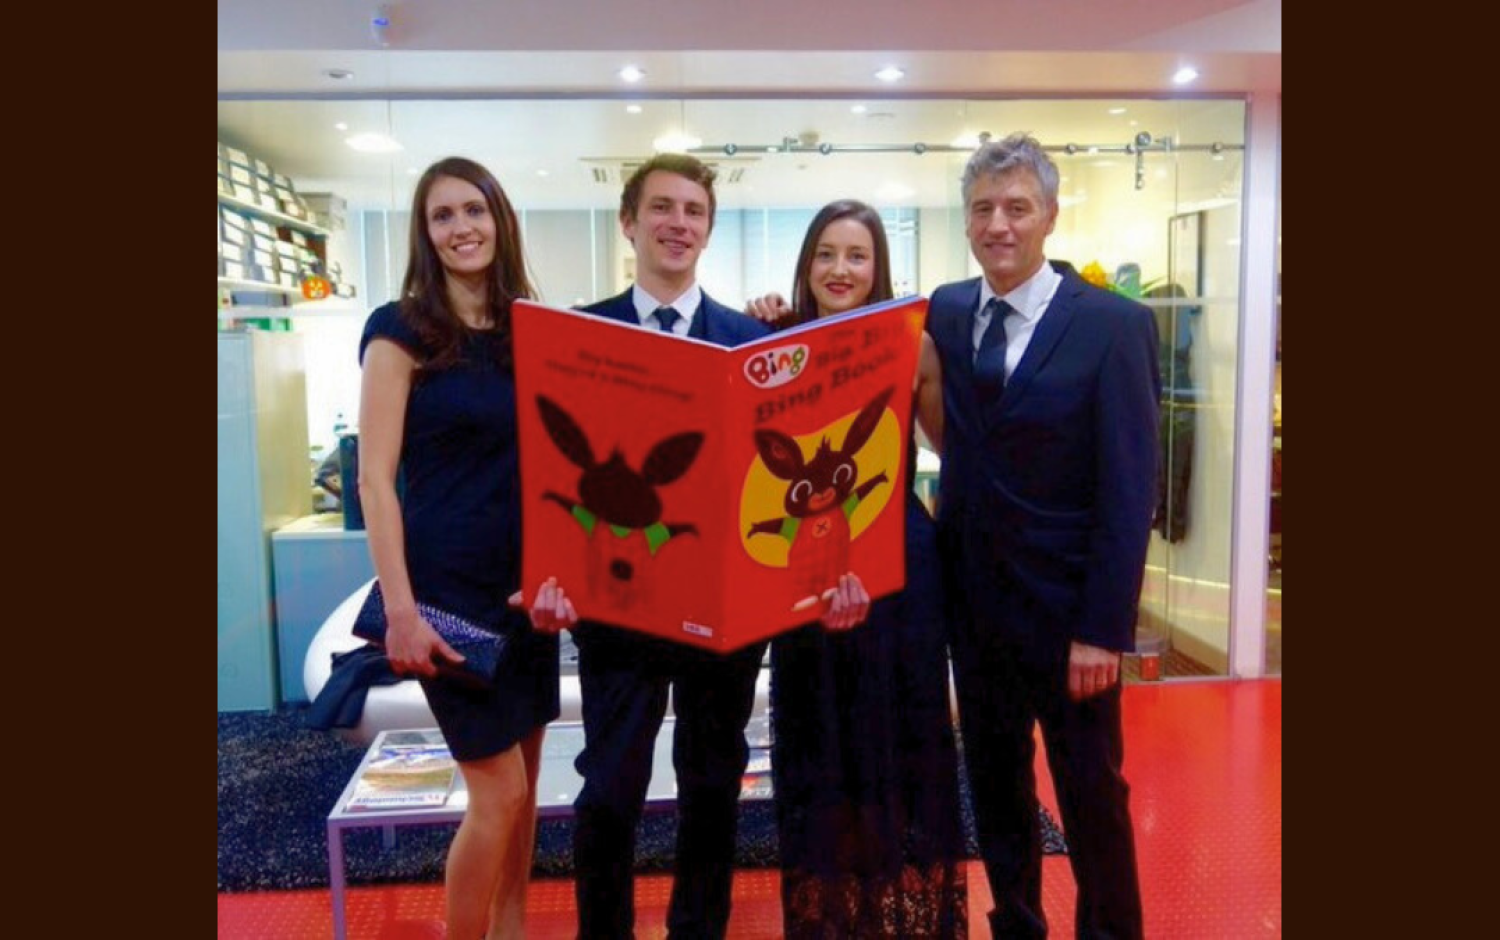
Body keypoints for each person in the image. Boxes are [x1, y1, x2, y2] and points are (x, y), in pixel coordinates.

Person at [560, 153, 870, 940]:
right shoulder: (576, 335)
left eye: (693, 211)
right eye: (661, 208)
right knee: (608, 791)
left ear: (708, 229)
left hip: (724, 620)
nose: (678, 224)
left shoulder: (750, 341)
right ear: (628, 223)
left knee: (711, 785)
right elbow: (555, 471)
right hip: (617, 609)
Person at [929, 134, 1160, 938]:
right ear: (966, 220)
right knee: (995, 790)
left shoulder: (1113, 326)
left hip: (1071, 625)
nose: (999, 224)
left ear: (1050, 216)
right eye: (983, 208)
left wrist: (1104, 631)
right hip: (976, 613)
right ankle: (1017, 925)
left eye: (1017, 207)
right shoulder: (947, 310)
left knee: (1092, 796)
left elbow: (1130, 490)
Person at [745, 199, 968, 937]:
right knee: (820, 761)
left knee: (896, 756)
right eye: (826, 255)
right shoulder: (771, 346)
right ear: (806, 265)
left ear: (880, 269)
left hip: (898, 576)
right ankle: (830, 923)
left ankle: (901, 924)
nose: (841, 270)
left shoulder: (915, 348)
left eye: (857, 255)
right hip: (804, 582)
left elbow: (957, 459)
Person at [357, 156, 562, 940]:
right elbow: (376, 482)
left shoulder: (530, 326)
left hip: (523, 597)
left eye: (473, 210)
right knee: (498, 796)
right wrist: (400, 613)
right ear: (425, 233)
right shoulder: (399, 328)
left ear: (499, 219)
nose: (461, 228)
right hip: (444, 597)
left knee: (526, 796)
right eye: (442, 216)